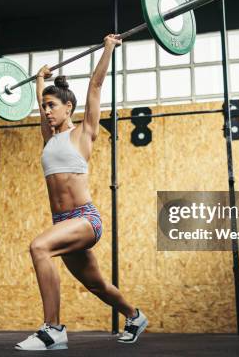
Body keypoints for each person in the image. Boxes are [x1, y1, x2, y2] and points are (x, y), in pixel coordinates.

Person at [15, 34, 148, 351]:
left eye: (52, 106)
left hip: (85, 219)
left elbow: (96, 87)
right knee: (96, 284)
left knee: (39, 248)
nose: (47, 111)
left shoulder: (84, 134)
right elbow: (40, 103)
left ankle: (53, 329)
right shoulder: (49, 139)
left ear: (68, 108)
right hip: (63, 221)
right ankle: (135, 315)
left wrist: (108, 50)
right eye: (45, 107)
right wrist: (39, 81)